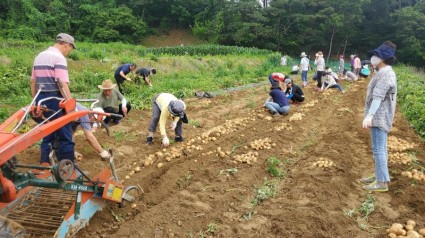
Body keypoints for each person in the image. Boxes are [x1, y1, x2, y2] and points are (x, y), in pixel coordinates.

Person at [30, 33, 76, 164]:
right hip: (55, 99)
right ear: (66, 45)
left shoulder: (39, 56)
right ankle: (67, 167)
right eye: (70, 49)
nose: (69, 52)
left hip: (41, 98)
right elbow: (61, 83)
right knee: (65, 134)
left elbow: (33, 81)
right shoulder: (58, 58)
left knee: (47, 132)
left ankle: (45, 164)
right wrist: (70, 104)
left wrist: (36, 101)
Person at [360, 41, 397, 192]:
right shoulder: (384, 72)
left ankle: (381, 183)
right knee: (380, 148)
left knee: (378, 149)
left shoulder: (385, 73)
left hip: (379, 116)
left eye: (376, 55)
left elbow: (378, 97)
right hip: (381, 115)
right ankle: (380, 175)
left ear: (382, 58)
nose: (373, 57)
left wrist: (369, 116)